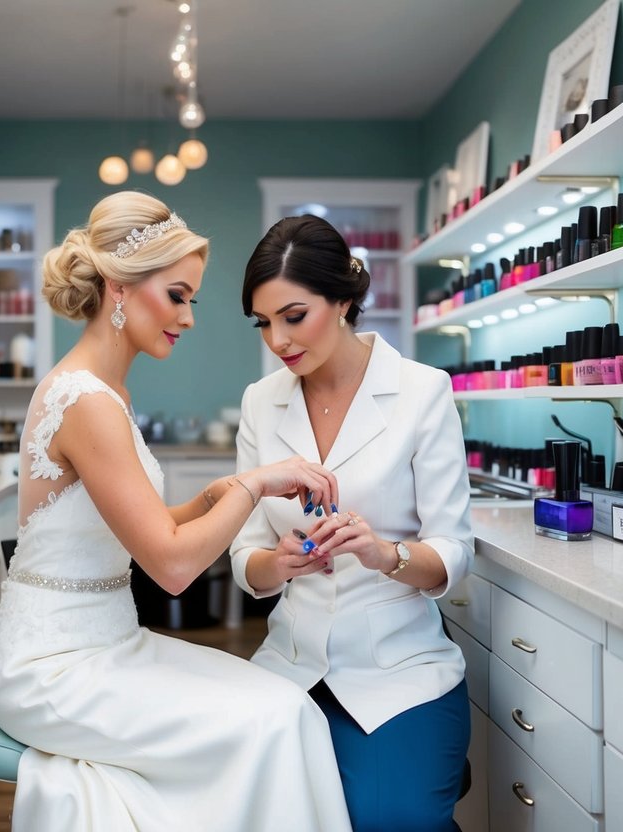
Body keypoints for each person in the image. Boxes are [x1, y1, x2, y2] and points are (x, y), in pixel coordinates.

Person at [0, 192, 353, 832]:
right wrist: (255, 483)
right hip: (55, 668)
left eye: (192, 300)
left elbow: (141, 525)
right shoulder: (88, 401)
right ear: (118, 287)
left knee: (284, 704)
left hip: (109, 643)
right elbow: (174, 567)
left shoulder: (106, 392)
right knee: (272, 718)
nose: (187, 317)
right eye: (177, 295)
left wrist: (224, 492)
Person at [231, 214, 474, 832]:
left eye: (293, 315)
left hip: (400, 670)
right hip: (290, 665)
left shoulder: (423, 392)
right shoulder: (263, 402)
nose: (279, 340)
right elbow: (245, 556)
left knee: (394, 819)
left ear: (342, 300)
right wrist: (278, 563)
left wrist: (383, 553)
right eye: (264, 323)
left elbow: (453, 551)